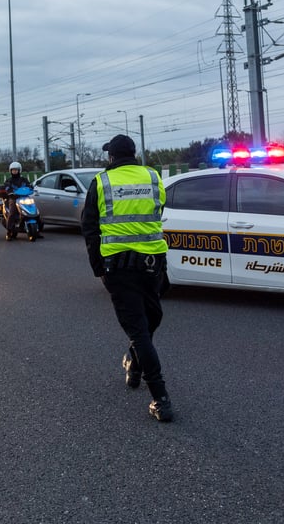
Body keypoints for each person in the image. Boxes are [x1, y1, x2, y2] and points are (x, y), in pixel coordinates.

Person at [81, 134, 172, 423]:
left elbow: (89, 228)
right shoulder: (153, 177)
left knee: (146, 328)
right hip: (151, 265)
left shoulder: (101, 182)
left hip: (122, 268)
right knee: (144, 327)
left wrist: (98, 266)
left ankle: (136, 364)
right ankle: (161, 397)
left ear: (111, 156)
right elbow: (157, 215)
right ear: (133, 153)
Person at [2, 161, 42, 239]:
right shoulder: (9, 180)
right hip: (14, 198)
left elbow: (29, 185)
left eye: (16, 170)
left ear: (19, 170)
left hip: (25, 198)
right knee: (12, 212)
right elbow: (7, 187)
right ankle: (9, 232)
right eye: (13, 170)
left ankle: (38, 230)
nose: (14, 171)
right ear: (10, 171)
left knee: (36, 211)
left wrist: (32, 187)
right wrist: (10, 192)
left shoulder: (24, 179)